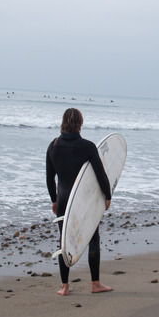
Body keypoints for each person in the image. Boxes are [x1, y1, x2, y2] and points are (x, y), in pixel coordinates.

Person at [45, 108, 114, 295]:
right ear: (80, 124)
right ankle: (95, 284)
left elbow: (50, 178)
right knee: (93, 238)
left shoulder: (53, 145)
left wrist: (53, 200)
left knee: (64, 242)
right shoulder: (87, 146)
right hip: (84, 200)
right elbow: (101, 174)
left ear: (63, 123)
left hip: (63, 199)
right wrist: (107, 195)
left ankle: (64, 286)